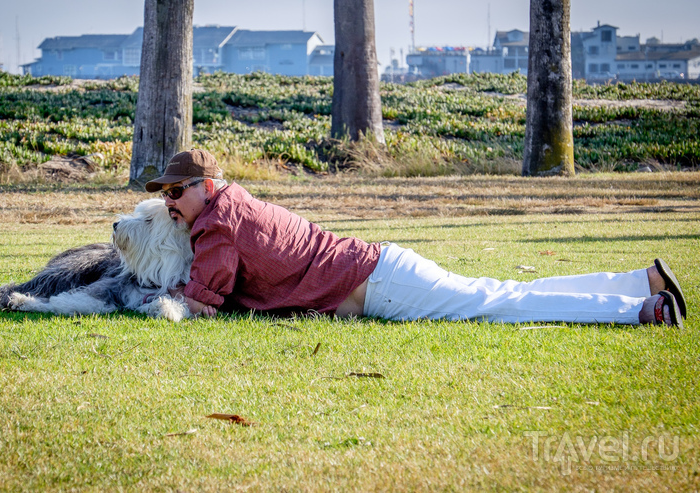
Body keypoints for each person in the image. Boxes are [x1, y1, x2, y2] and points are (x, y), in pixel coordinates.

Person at [146, 149, 687, 329]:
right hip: (382, 270)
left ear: (206, 185)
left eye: (174, 192)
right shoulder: (233, 206)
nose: (169, 203)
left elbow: (200, 302)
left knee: (503, 302)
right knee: (501, 292)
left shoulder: (218, 222)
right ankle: (640, 282)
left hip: (383, 285)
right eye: (164, 195)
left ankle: (640, 310)